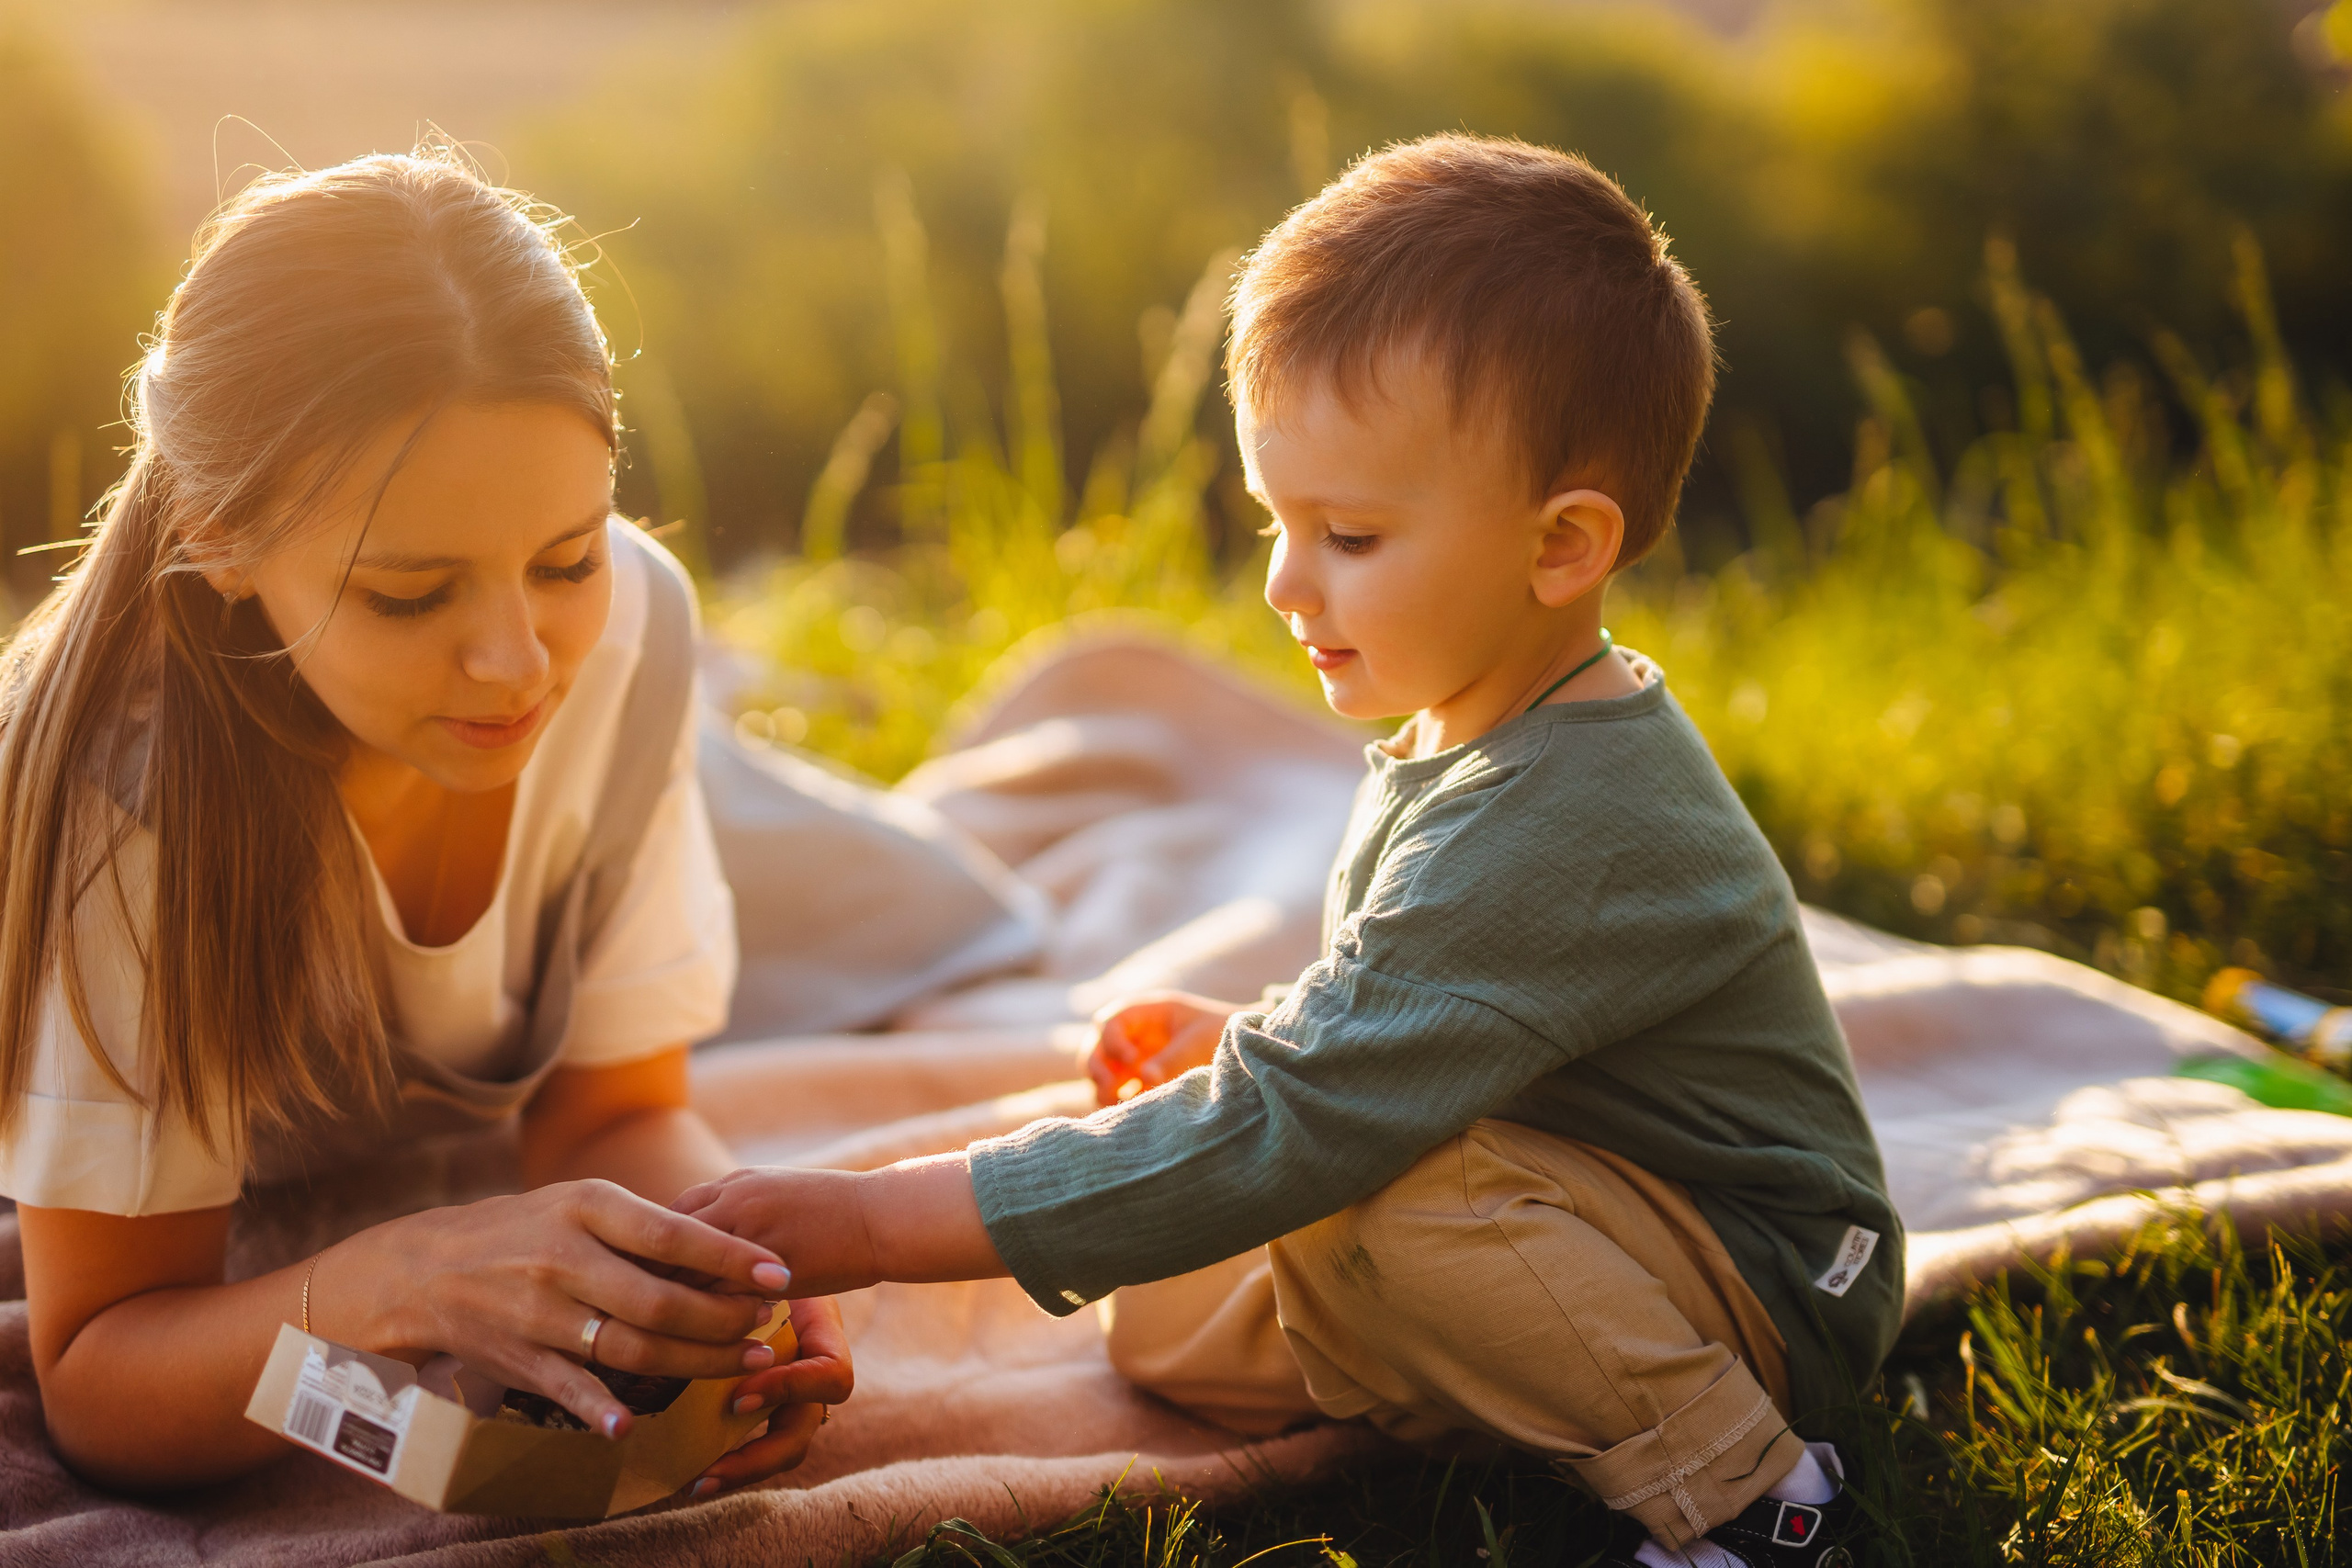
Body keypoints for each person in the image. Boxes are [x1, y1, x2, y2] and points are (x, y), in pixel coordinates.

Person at [673, 134, 1899, 1568]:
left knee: (1351, 1179)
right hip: (1574, 1186)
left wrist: (869, 1224)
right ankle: (1508, 1368)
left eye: (1350, 534)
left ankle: (1753, 1498)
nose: (1281, 579)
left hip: (1773, 1279)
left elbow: (1311, 1113)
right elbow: (1409, 1018)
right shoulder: (1480, 719)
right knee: (1175, 1310)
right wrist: (1249, 1040)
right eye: (1276, 520)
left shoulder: (1576, 812)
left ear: (1563, 544)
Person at [0, 151, 848, 1498]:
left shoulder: (630, 638)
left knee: (889, 906)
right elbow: (99, 1376)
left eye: (566, 559)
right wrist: (370, 1286)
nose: (518, 664)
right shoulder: (126, 803)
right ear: (222, 541)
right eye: (410, 594)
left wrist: (728, 1266)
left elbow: (611, 1114)